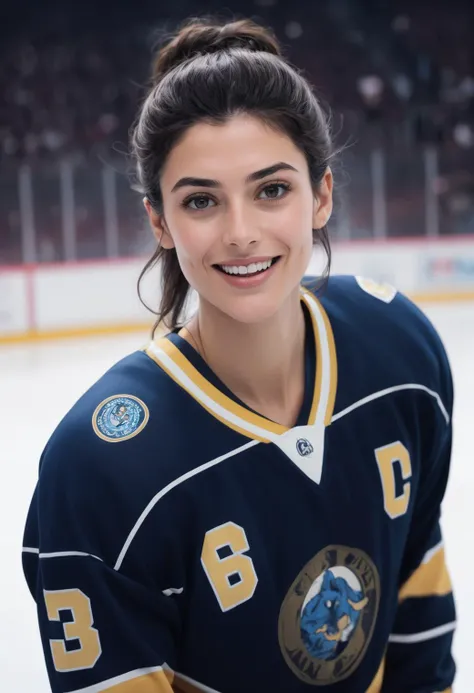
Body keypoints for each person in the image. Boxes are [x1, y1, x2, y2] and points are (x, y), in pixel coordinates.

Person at [22, 16, 456, 693]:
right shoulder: (98, 470)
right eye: (201, 201)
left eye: (272, 189)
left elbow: (418, 613)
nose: (241, 233)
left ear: (322, 194)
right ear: (159, 221)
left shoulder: (401, 356)